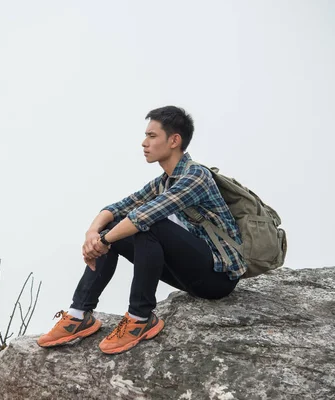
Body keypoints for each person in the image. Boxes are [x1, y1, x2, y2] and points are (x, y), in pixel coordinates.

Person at [37, 106, 247, 354]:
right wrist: (93, 234)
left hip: (218, 278)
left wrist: (103, 241)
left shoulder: (196, 176)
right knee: (117, 226)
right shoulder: (163, 182)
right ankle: (79, 314)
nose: (144, 143)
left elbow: (144, 216)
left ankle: (140, 318)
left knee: (148, 225)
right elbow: (118, 208)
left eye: (151, 136)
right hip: (189, 275)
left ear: (174, 140)